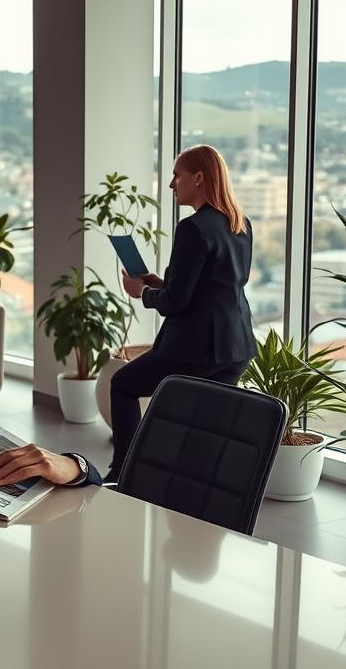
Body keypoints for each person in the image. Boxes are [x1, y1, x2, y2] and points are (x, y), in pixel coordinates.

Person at [105, 144, 257, 483]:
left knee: (123, 384)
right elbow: (214, 285)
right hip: (236, 347)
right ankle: (197, 489)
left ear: (199, 178)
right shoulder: (239, 222)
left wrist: (142, 292)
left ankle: (124, 472)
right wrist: (158, 282)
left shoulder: (194, 227)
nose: (172, 184)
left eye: (177, 175)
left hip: (195, 347)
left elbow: (177, 302)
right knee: (204, 419)